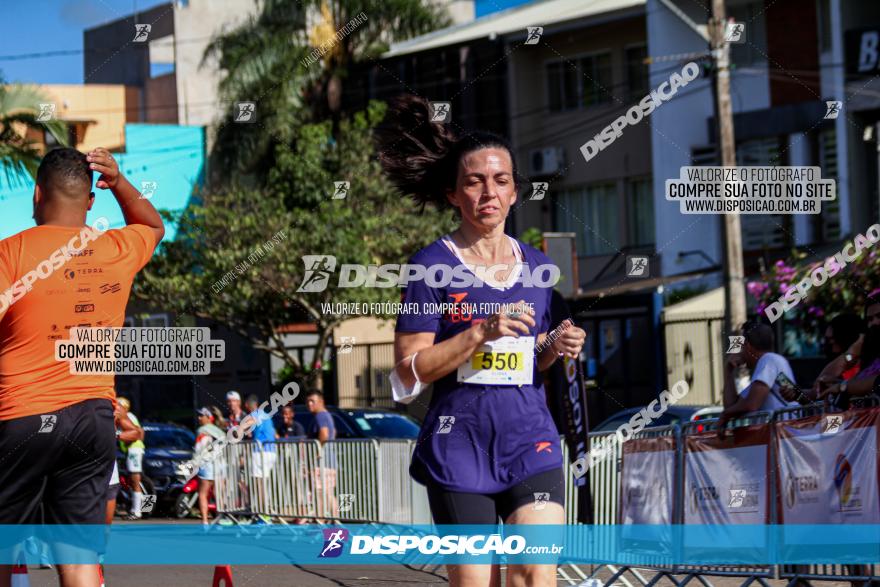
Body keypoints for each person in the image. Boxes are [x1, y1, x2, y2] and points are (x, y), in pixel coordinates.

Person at [376, 95, 586, 587]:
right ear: (454, 194)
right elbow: (406, 374)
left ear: (515, 192)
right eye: (474, 181)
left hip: (528, 440)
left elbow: (530, 362)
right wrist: (477, 332)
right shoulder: (431, 267)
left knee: (535, 574)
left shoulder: (537, 268)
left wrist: (556, 346)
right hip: (459, 445)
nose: (488, 192)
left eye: (501, 180)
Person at [0, 147, 163, 587]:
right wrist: (120, 182)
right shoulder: (116, 249)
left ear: (36, 195)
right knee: (78, 554)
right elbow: (152, 224)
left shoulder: (9, 255)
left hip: (21, 418)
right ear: (91, 200)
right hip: (93, 420)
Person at [720, 322, 799, 431]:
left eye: (741, 346)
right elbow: (732, 406)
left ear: (747, 346)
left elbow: (751, 405)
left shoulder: (768, 360)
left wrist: (725, 415)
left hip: (786, 437)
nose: (740, 352)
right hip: (782, 437)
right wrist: (728, 371)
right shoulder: (767, 366)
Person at [241, 395, 278, 517]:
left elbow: (250, 422)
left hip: (261, 452)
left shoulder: (256, 413)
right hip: (271, 452)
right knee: (263, 484)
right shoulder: (266, 415)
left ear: (247, 405)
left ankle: (264, 515)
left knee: (259, 484)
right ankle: (265, 512)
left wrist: (240, 429)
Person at [306, 391, 338, 521]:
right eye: (308, 401)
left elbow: (324, 434)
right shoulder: (327, 415)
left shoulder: (320, 415)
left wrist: (316, 452)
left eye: (312, 401)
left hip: (323, 463)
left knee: (320, 494)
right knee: (328, 493)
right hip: (330, 462)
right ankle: (335, 523)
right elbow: (333, 432)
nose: (309, 404)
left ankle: (321, 523)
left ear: (321, 401)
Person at [194, 407, 226, 526]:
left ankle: (205, 522)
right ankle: (219, 519)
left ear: (209, 417)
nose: (199, 418)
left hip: (207, 464)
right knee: (219, 493)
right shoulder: (219, 431)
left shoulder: (202, 430)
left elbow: (199, 449)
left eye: (201, 416)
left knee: (203, 493)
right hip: (220, 464)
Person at [116, 397, 146, 520]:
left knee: (135, 480)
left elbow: (139, 432)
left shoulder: (128, 416)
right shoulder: (129, 416)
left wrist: (118, 436)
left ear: (124, 407)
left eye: (118, 404)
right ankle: (136, 508)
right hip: (131, 450)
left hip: (134, 449)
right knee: (133, 480)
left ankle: (137, 511)